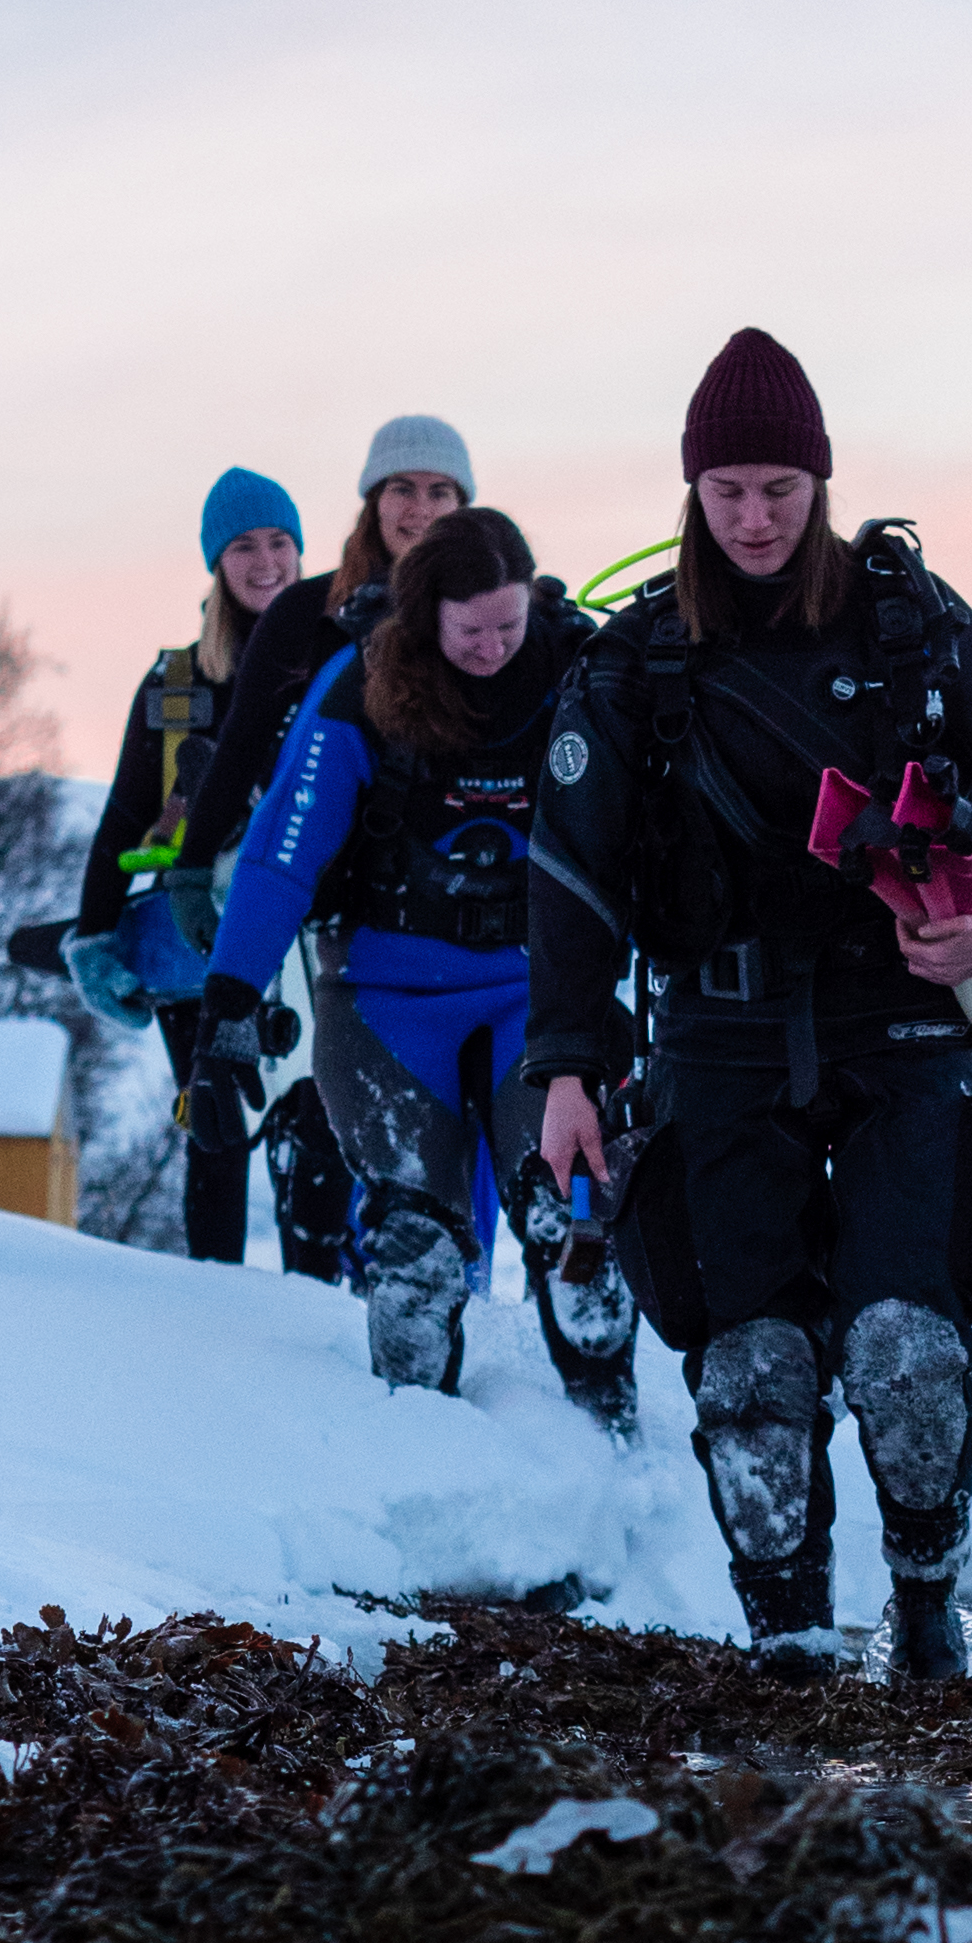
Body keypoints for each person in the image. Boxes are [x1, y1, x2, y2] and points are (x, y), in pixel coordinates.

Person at [525, 327, 972, 1679]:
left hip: (898, 1024)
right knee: (753, 1367)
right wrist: (567, 1069)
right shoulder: (635, 661)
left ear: (819, 482)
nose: (756, 516)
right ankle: (784, 1645)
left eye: (779, 486)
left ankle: (926, 1625)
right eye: (729, 491)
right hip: (711, 1038)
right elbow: (571, 879)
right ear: (692, 492)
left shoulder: (908, 620)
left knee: (904, 1348)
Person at [182, 505, 638, 1428]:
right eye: (470, 630)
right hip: (385, 995)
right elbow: (283, 852)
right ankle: (418, 1450)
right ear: (426, 613)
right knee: (415, 1254)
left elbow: (645, 838)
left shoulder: (571, 676)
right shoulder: (362, 685)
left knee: (573, 1221)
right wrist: (228, 1007)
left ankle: (614, 1442)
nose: (493, 648)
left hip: (535, 995)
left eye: (509, 625)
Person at [64, 468, 305, 1265]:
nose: (265, 560)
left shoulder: (338, 664)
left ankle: (325, 1307)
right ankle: (211, 1295)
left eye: (279, 542)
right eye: (243, 545)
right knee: (213, 1122)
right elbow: (123, 818)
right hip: (190, 940)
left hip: (311, 937)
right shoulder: (175, 685)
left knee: (316, 1127)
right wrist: (96, 939)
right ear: (216, 561)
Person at [171, 415, 478, 878]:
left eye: (440, 492)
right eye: (402, 489)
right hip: (329, 878)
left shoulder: (496, 613)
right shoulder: (304, 611)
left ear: (461, 506)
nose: (421, 508)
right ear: (375, 503)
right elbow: (241, 746)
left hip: (468, 865)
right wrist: (192, 868)